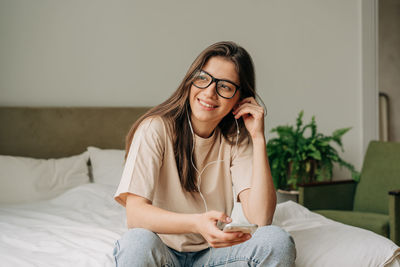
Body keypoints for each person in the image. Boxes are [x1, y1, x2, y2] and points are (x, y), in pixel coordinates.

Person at [112, 41, 296, 266]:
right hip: (162, 252)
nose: (209, 92)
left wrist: (258, 138)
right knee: (136, 242)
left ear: (240, 99)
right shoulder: (155, 128)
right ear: (191, 80)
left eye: (225, 86)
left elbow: (261, 218)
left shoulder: (237, 139)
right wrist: (197, 223)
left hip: (212, 254)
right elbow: (136, 216)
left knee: (277, 240)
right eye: (203, 78)